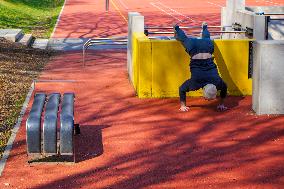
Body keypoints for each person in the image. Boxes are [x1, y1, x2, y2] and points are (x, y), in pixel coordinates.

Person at [173, 22, 228, 112]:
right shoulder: (196, 83)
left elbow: (225, 87)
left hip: (207, 47)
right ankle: (177, 28)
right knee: (184, 39)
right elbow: (181, 89)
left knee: (206, 38)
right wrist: (183, 106)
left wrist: (221, 103)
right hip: (194, 48)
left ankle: (204, 27)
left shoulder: (217, 81)